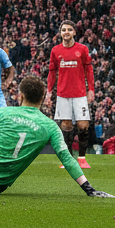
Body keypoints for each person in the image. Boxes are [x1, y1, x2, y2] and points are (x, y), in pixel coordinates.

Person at [47, 19, 95, 170]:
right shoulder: (55, 51)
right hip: (63, 94)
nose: (66, 32)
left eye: (69, 29)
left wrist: (91, 89)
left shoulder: (82, 49)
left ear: (74, 32)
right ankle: (68, 159)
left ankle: (81, 158)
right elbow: (52, 71)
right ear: (60, 33)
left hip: (80, 94)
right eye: (63, 30)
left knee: (83, 125)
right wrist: (49, 91)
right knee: (66, 125)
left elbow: (89, 69)